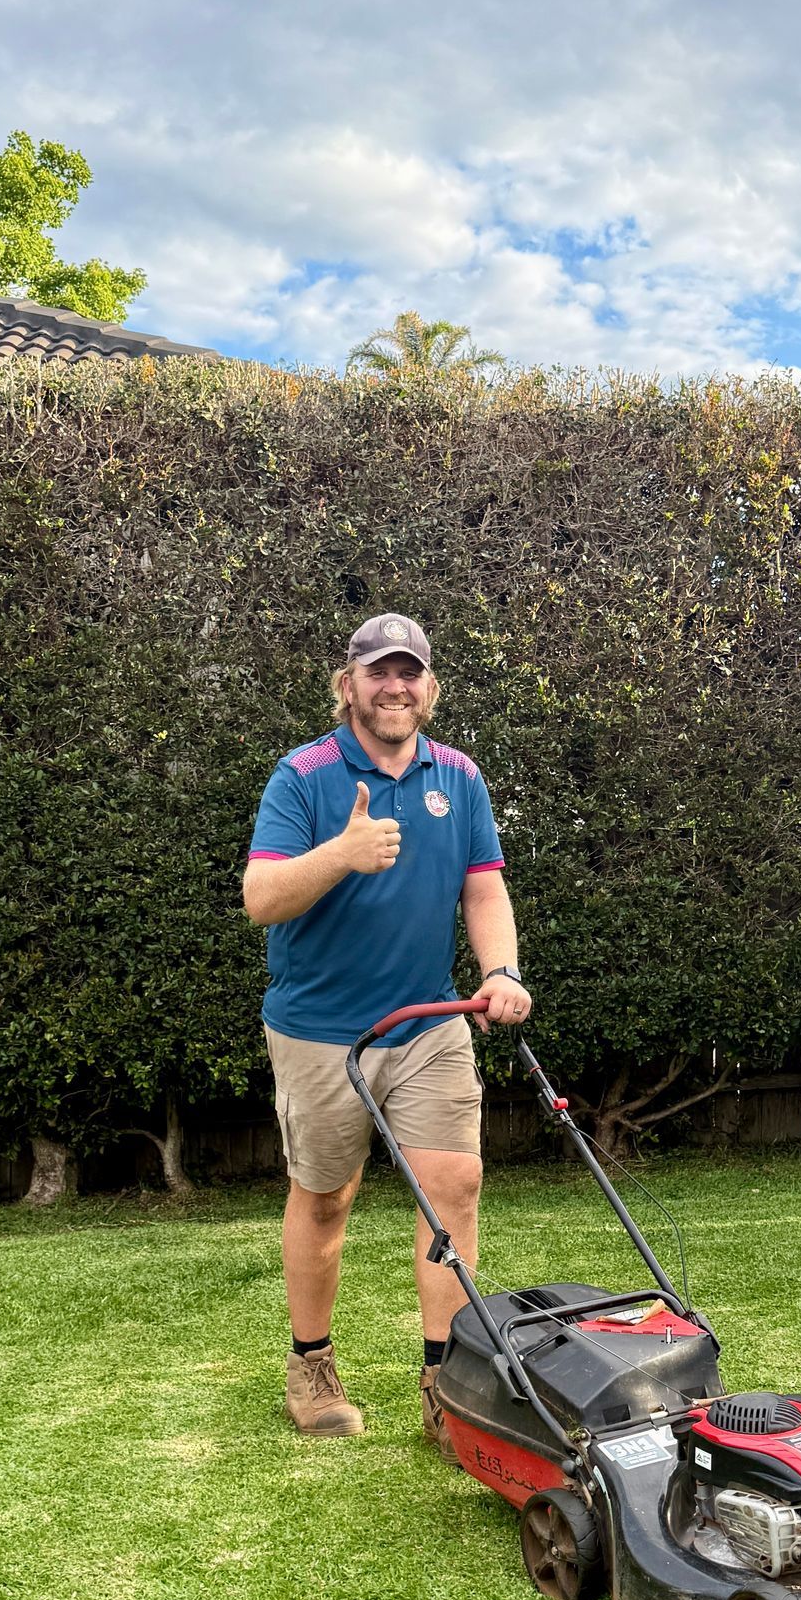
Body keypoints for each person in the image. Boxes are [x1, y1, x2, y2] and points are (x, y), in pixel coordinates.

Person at [243, 613, 532, 1443]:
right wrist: (343, 852)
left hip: (428, 1021)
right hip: (321, 1031)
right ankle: (311, 1364)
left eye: (409, 673)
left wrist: (501, 971)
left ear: (429, 688)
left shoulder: (460, 777)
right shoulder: (303, 776)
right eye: (379, 672)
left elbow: (483, 887)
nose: (394, 686)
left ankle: (448, 1384)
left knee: (455, 1188)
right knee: (326, 1200)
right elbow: (261, 899)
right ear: (349, 685)